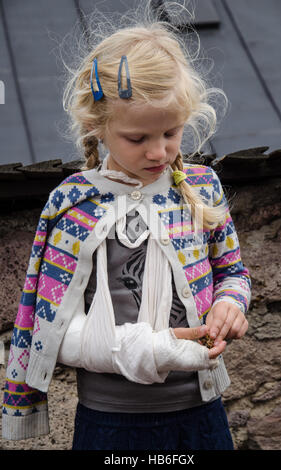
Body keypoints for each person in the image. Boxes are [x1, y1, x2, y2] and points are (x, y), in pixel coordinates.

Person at [2, 15, 251, 451]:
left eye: (171, 133)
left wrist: (231, 302)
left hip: (200, 411)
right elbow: (55, 331)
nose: (159, 151)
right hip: (110, 423)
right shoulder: (74, 205)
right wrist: (152, 350)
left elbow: (233, 272)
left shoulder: (200, 188)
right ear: (98, 127)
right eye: (137, 138)